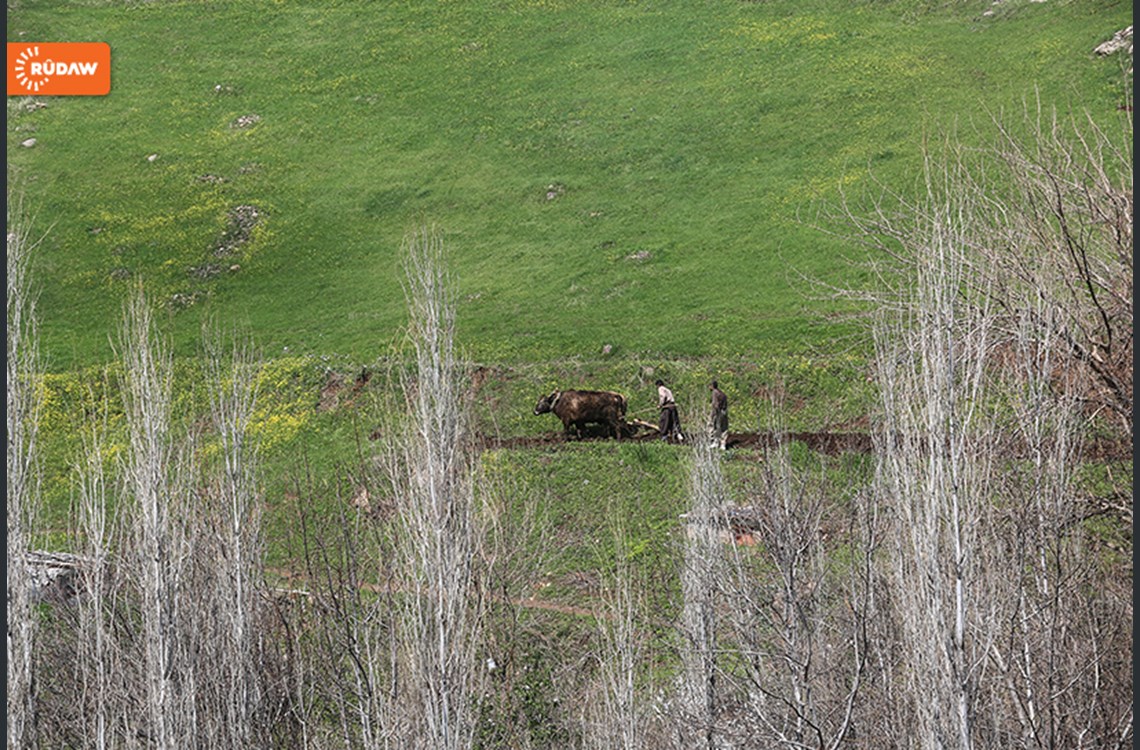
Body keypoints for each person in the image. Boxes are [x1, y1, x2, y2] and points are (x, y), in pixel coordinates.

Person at [709, 380, 729, 450]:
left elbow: (715, 404)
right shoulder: (722, 393)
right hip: (724, 411)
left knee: (715, 427)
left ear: (712, 386)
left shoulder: (714, 393)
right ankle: (723, 444)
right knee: (724, 427)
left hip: (717, 412)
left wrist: (713, 414)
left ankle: (715, 442)